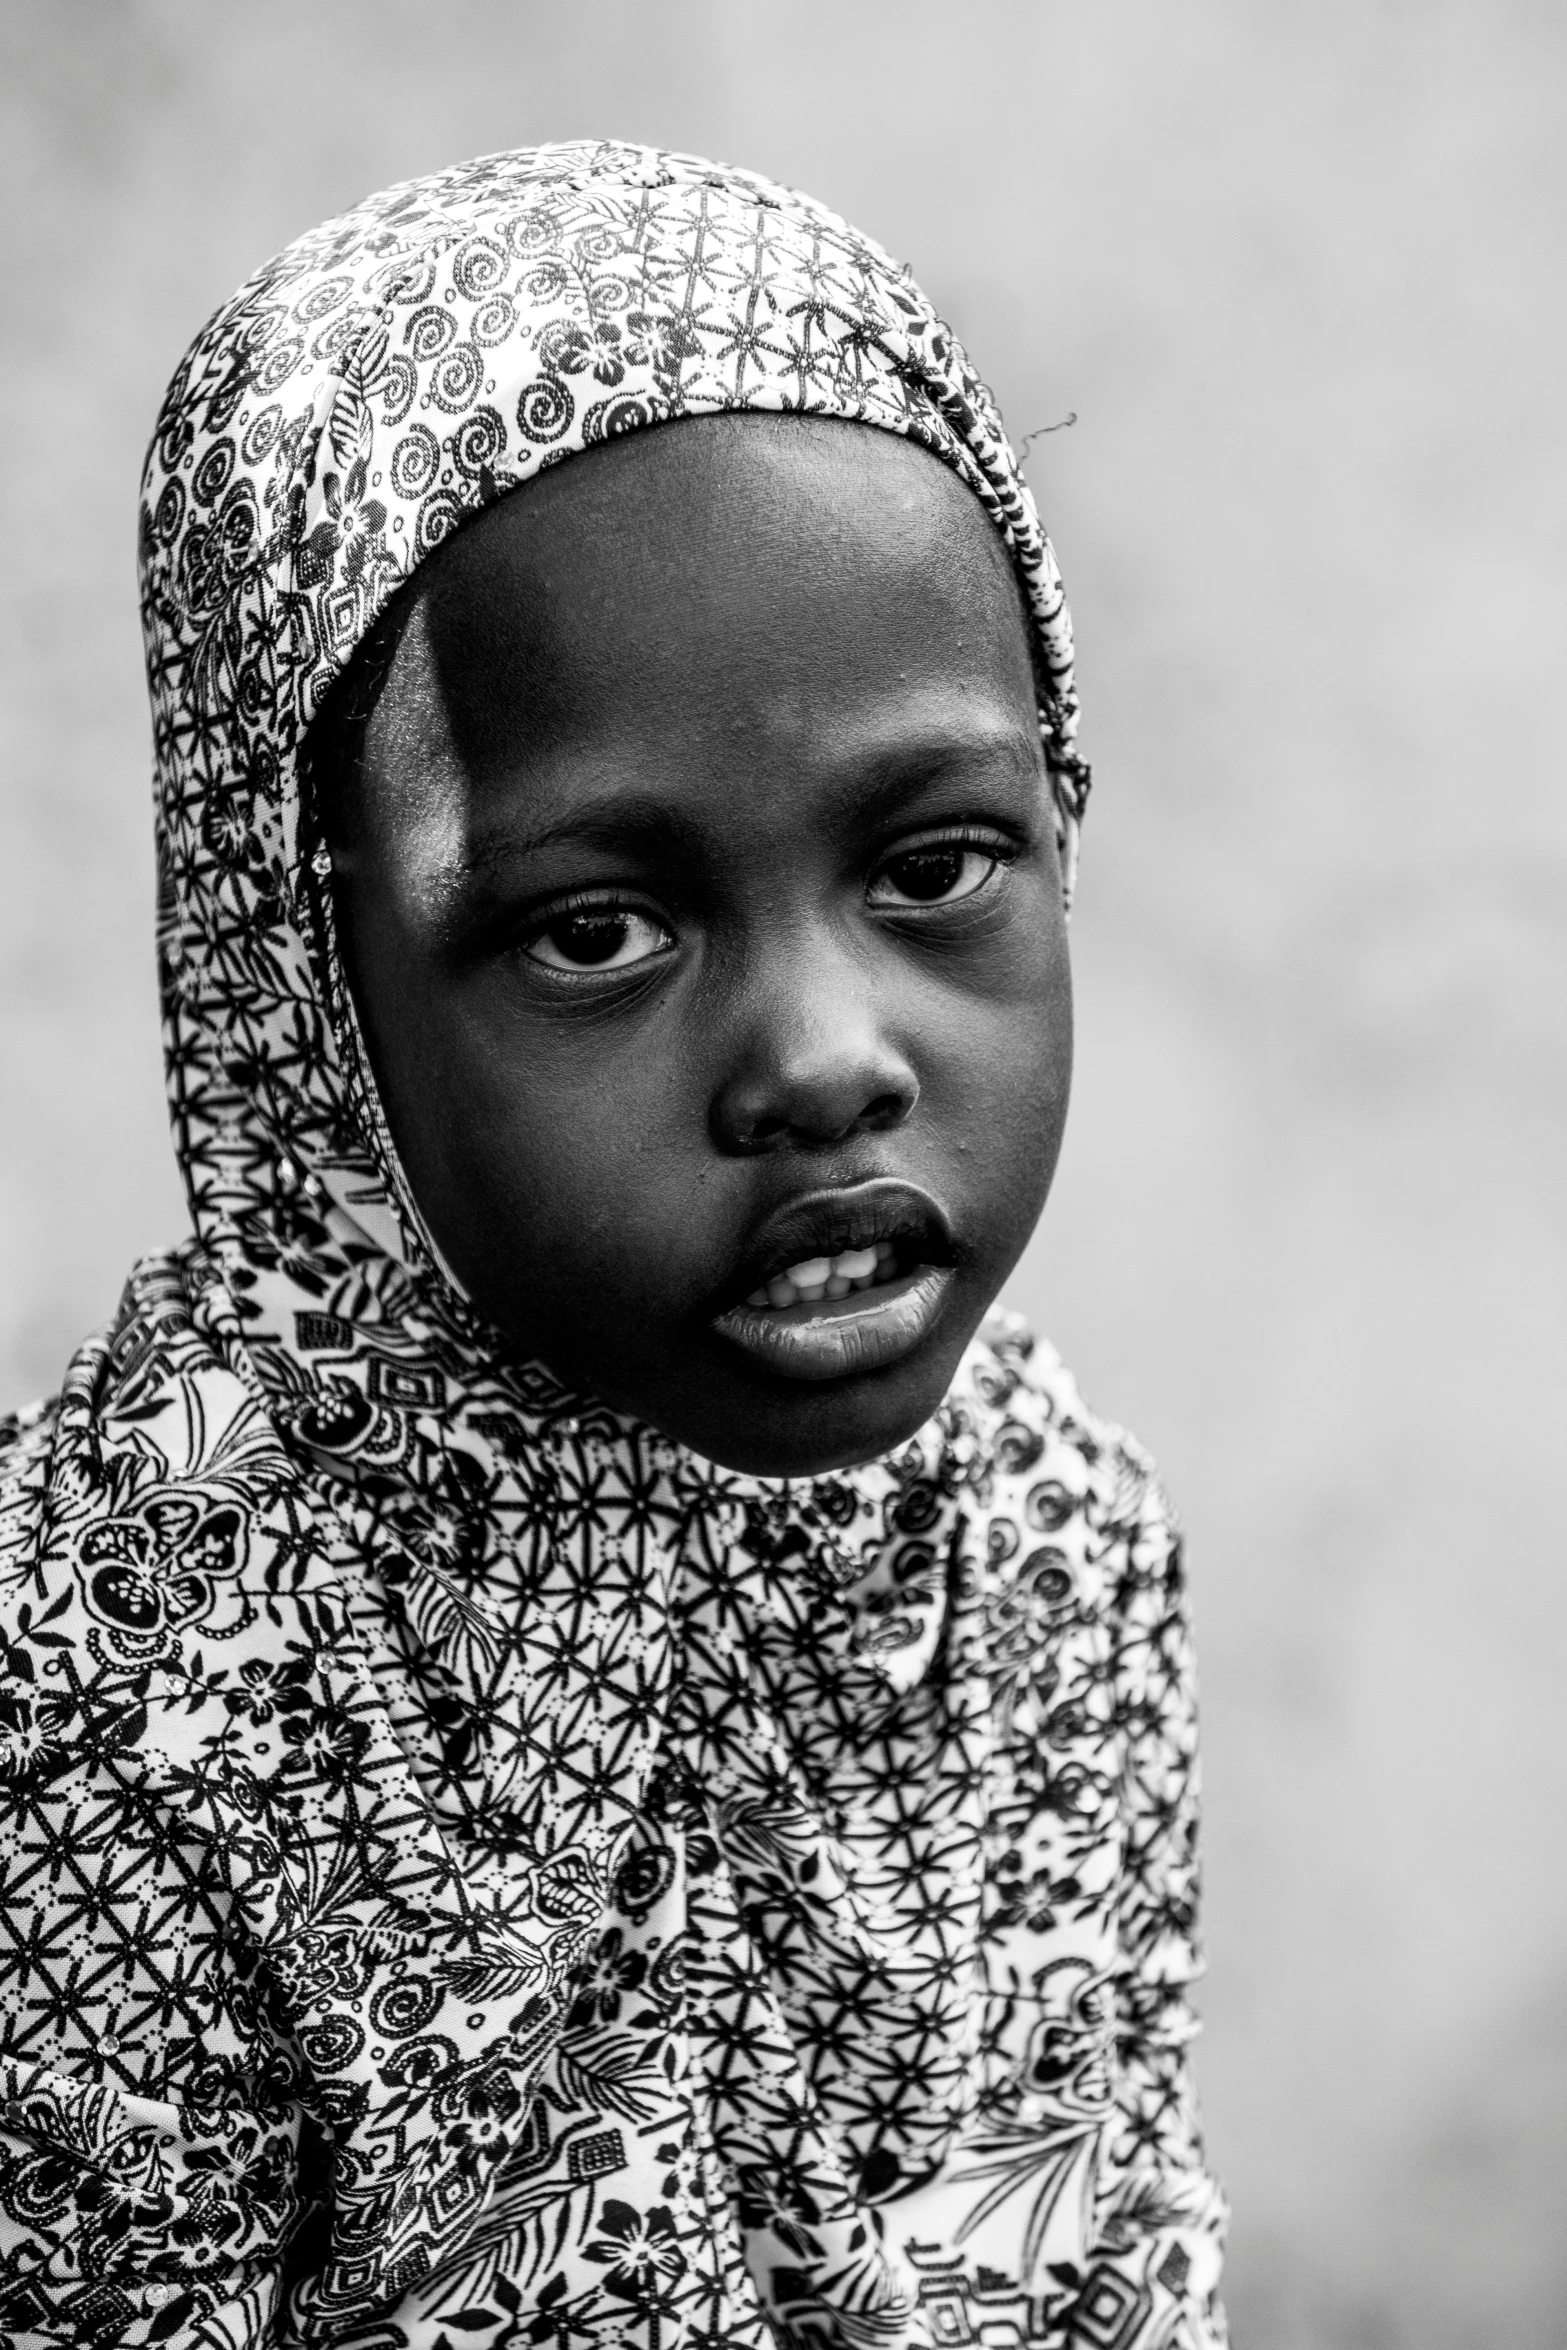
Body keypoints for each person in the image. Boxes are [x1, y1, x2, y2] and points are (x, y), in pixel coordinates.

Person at [0, 143, 1227, 2348]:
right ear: (307, 979)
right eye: (600, 926)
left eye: (936, 863)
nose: (827, 1059)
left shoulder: (1047, 1549)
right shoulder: (111, 1695)